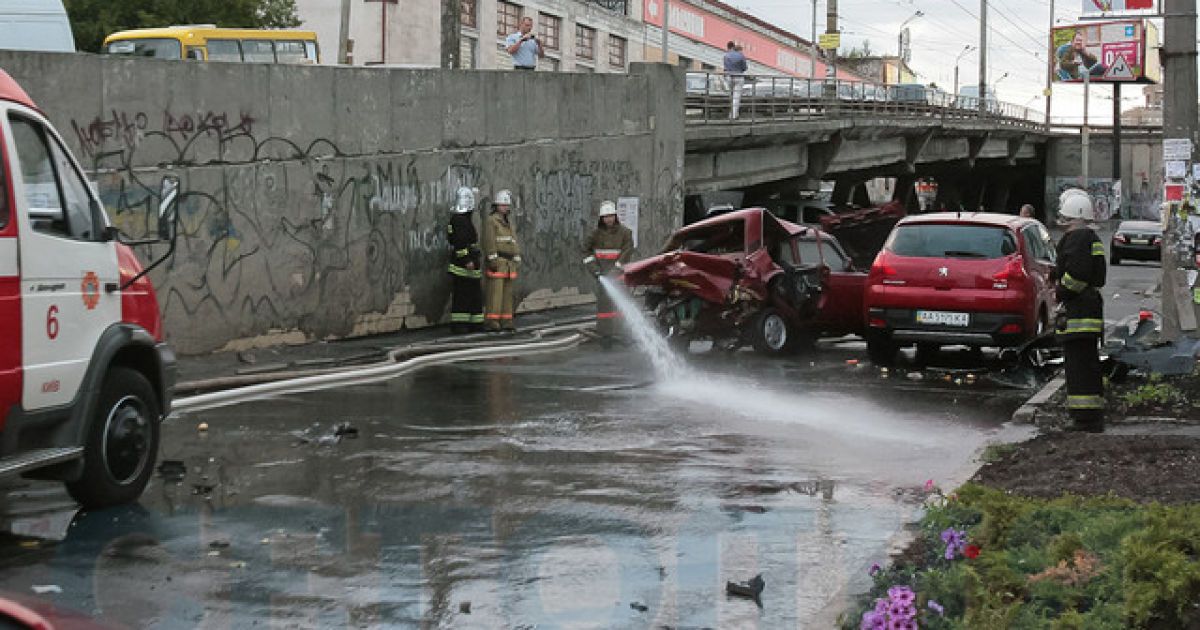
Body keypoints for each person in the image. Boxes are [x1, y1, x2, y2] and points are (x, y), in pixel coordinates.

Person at [1053, 188, 1107, 432]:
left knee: (1078, 367)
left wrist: (1060, 291)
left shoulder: (1077, 238)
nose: (1062, 224)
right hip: (1090, 310)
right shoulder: (1092, 238)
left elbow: (1076, 275)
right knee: (1088, 364)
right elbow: (1097, 275)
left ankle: (1084, 419)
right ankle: (1091, 414)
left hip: (1078, 314)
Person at [582, 200, 634, 342]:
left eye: (611, 216)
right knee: (604, 308)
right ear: (601, 218)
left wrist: (617, 268)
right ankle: (605, 335)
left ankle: (623, 333)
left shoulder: (625, 233)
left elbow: (628, 251)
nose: (608, 219)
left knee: (621, 304)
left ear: (615, 216)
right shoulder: (595, 235)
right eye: (606, 217)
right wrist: (595, 271)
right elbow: (585, 252)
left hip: (619, 275)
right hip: (602, 275)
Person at [446, 187, 484, 334]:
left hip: (470, 263)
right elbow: (460, 243)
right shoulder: (459, 220)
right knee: (462, 295)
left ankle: (475, 324)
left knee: (474, 295)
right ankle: (460, 325)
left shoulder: (461, 219)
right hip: (463, 266)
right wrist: (467, 259)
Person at [483, 189, 521, 332]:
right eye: (502, 205)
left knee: (507, 293)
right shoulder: (491, 221)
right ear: (496, 206)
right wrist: (492, 259)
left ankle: (506, 320)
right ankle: (492, 321)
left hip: (509, 263)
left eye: (507, 205)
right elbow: (489, 241)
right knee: (495, 293)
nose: (505, 207)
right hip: (498, 262)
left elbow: (513, 239)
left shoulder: (508, 222)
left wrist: (517, 256)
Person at [723, 41, 748, 119]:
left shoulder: (726, 55)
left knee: (731, 96)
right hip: (739, 76)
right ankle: (733, 115)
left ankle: (734, 113)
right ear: (734, 47)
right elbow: (745, 67)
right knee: (736, 97)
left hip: (729, 77)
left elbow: (725, 67)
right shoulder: (740, 55)